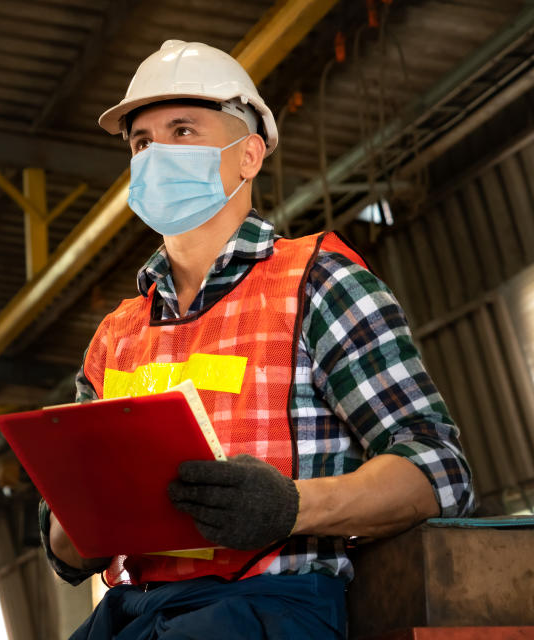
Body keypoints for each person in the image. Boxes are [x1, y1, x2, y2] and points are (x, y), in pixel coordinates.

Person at [38, 40, 474, 639]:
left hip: (274, 605)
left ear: (248, 156)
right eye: (141, 142)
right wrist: (78, 519)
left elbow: (440, 470)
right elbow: (68, 547)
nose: (156, 153)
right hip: (137, 611)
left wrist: (290, 507)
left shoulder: (318, 283)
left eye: (183, 129)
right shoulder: (118, 336)